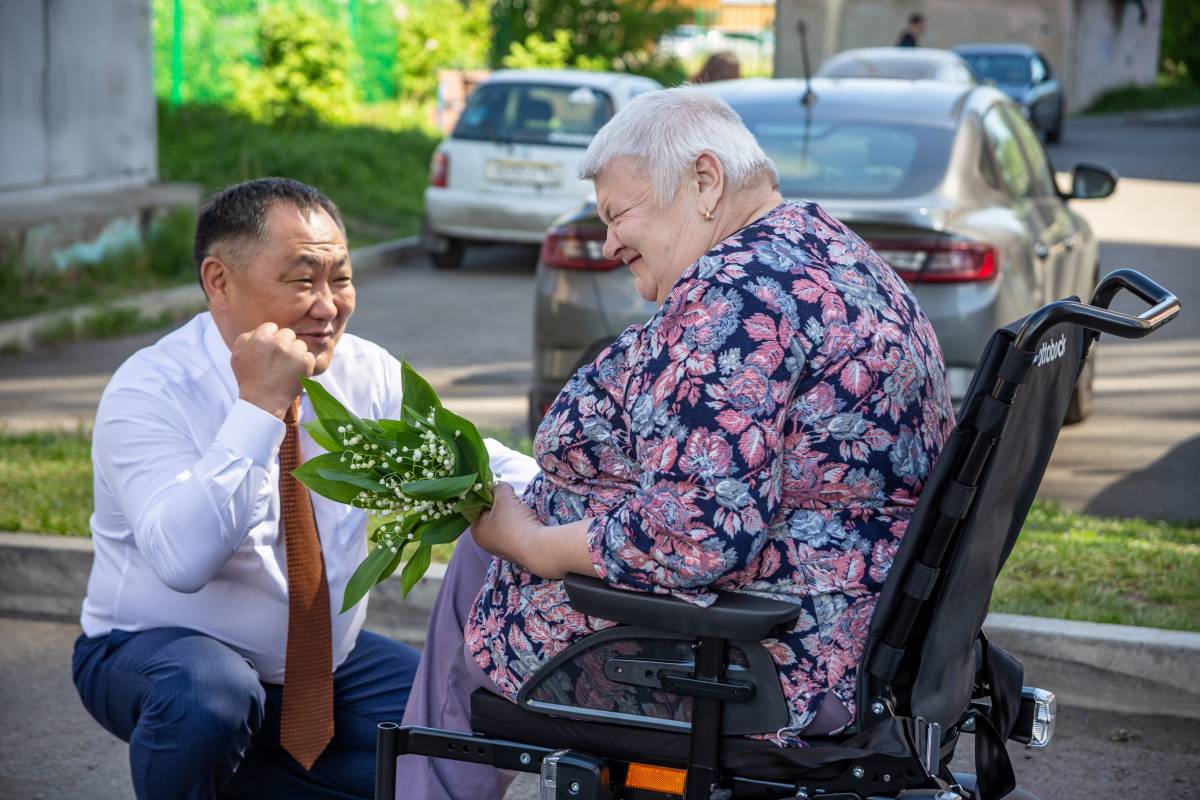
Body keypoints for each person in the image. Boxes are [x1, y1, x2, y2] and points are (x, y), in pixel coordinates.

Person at [398, 87, 956, 798]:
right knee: (486, 557)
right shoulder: (827, 251)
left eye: (618, 214)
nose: (607, 243)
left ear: (703, 182)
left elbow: (695, 533)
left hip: (771, 659)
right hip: (847, 631)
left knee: (483, 570)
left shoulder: (734, 292)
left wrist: (533, 545)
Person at [70, 177, 531, 800]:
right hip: (154, 657)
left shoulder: (365, 372)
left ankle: (255, 775)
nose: (327, 304)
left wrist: (585, 502)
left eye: (340, 278)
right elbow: (182, 561)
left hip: (319, 669)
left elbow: (475, 463)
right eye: (302, 279)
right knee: (211, 697)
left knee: (471, 723)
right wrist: (259, 405)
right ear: (219, 282)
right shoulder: (150, 389)